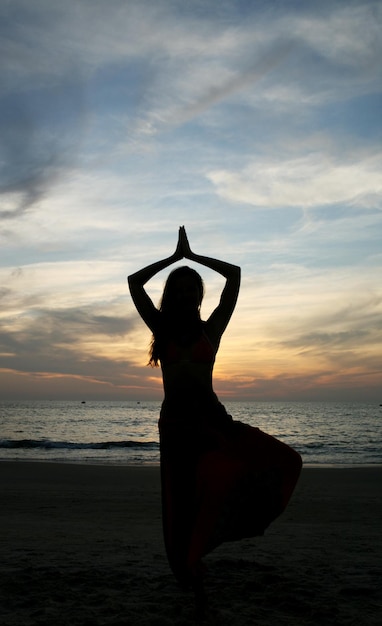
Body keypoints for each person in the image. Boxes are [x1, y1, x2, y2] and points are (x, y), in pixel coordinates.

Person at [128, 226, 302, 602]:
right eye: (180, 289)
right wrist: (174, 259)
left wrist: (195, 257)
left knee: (286, 460)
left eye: (192, 288)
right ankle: (189, 561)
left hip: (212, 418)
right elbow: (133, 282)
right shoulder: (160, 327)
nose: (186, 293)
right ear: (172, 295)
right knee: (183, 498)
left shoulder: (213, 330)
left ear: (199, 294)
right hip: (176, 424)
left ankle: (202, 549)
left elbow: (234, 275)